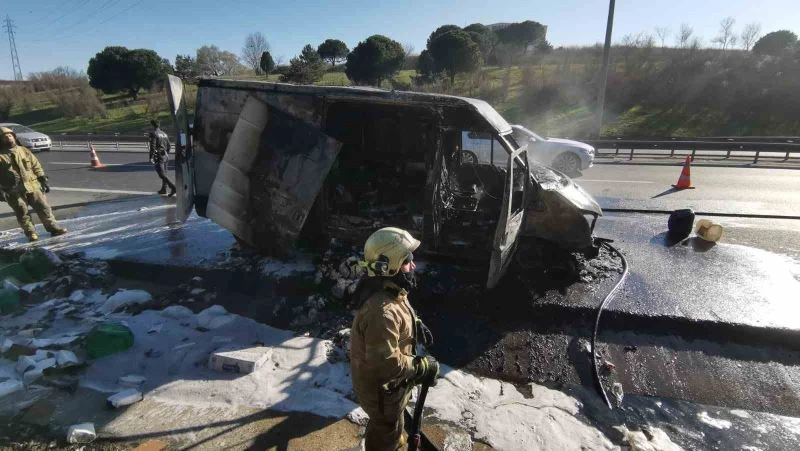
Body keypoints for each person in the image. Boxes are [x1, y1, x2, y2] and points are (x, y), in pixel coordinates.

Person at [350, 227, 438, 450]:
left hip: (390, 390)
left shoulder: (391, 289)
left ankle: (389, 437)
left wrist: (416, 322)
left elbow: (401, 306)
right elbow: (388, 364)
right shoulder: (381, 312)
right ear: (390, 266)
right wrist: (422, 367)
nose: (414, 265)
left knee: (390, 425)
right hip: (382, 393)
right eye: (408, 260)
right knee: (386, 426)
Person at [0, 126, 67, 242]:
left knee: (44, 207)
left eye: (10, 135)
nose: (9, 138)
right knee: (22, 212)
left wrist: (42, 179)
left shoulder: (24, 150)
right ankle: (31, 233)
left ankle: (54, 228)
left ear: (14, 137)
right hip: (12, 191)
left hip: (32, 186)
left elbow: (36, 165)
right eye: (5, 136)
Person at [148, 119, 176, 196]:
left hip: (159, 155)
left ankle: (173, 187)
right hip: (166, 156)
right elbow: (169, 146)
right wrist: (166, 153)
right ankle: (164, 189)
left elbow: (152, 146)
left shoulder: (153, 133)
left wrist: (151, 157)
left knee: (161, 174)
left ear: (152, 125)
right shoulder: (164, 134)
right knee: (165, 173)